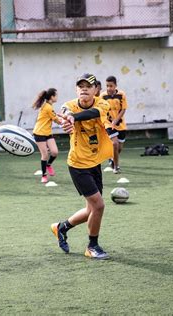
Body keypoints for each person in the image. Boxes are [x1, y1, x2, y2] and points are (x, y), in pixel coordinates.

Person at [51, 73, 113, 260]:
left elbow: (91, 114)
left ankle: (61, 227)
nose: (84, 89)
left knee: (90, 211)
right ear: (76, 90)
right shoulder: (69, 106)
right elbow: (65, 111)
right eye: (80, 86)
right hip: (78, 165)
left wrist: (73, 118)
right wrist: (67, 119)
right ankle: (92, 246)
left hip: (95, 163)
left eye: (88, 86)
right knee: (99, 206)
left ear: (96, 90)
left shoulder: (102, 104)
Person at [32, 88, 61, 183]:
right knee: (44, 155)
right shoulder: (48, 107)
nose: (57, 97)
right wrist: (68, 121)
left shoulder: (48, 106)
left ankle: (48, 165)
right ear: (52, 97)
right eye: (56, 95)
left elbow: (54, 116)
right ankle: (44, 175)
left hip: (47, 132)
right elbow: (57, 120)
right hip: (39, 133)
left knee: (55, 152)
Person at [100, 76, 128, 174]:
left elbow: (123, 109)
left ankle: (112, 158)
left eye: (111, 86)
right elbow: (101, 110)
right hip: (108, 124)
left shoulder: (121, 94)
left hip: (120, 124)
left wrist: (116, 121)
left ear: (115, 85)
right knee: (114, 144)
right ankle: (116, 167)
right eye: (107, 86)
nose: (109, 88)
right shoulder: (102, 96)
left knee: (119, 148)